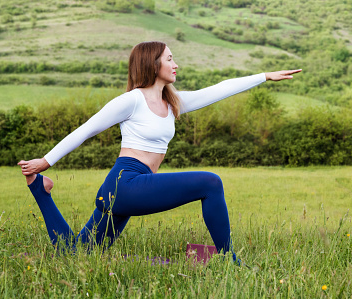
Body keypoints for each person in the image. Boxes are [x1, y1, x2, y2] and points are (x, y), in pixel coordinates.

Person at [18, 41, 301, 264]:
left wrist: (263, 76)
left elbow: (219, 89)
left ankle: (40, 192)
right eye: (169, 59)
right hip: (125, 183)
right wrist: (45, 161)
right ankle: (229, 259)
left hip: (129, 188)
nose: (175, 65)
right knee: (210, 182)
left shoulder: (173, 103)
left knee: (77, 253)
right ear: (152, 64)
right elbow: (86, 130)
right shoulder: (131, 101)